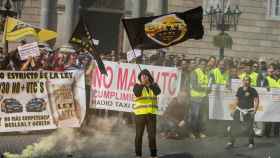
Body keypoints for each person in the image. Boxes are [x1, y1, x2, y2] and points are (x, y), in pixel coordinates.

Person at [133, 69, 161, 158]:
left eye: (145, 75)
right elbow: (137, 93)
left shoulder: (154, 86)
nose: (144, 77)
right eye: (142, 75)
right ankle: (138, 155)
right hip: (140, 114)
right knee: (139, 135)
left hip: (151, 114)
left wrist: (150, 85)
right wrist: (142, 84)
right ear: (140, 78)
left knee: (152, 136)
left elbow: (158, 91)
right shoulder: (137, 85)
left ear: (149, 77)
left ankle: (153, 155)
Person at [226, 76, 259, 149]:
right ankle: (231, 142)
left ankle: (251, 143)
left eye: (248, 80)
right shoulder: (240, 89)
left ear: (250, 82)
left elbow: (256, 101)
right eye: (245, 80)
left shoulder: (253, 90)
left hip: (249, 111)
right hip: (239, 110)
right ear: (243, 81)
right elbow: (236, 100)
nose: (246, 82)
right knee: (234, 126)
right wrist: (233, 110)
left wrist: (254, 111)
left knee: (250, 127)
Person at [188, 59, 209, 139]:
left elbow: (207, 84)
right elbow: (194, 86)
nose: (204, 66)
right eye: (202, 64)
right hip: (195, 98)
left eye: (205, 64)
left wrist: (208, 89)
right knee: (194, 117)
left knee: (202, 117)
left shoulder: (206, 73)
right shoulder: (195, 72)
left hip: (204, 98)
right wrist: (205, 88)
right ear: (199, 65)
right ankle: (191, 132)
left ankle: (201, 132)